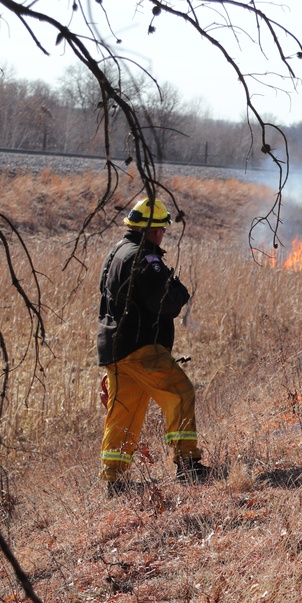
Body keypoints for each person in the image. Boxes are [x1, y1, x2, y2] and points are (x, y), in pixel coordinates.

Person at [98, 197, 210, 497]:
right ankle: (188, 465)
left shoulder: (117, 253)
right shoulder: (146, 259)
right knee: (180, 392)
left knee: (124, 413)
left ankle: (115, 482)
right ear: (151, 230)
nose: (162, 235)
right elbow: (163, 303)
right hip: (142, 346)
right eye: (160, 229)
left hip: (115, 349)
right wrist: (180, 291)